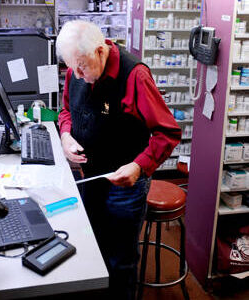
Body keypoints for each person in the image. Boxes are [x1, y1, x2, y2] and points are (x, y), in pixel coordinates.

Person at [56, 20, 181, 300]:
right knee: (93, 246)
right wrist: (65, 135)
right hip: (90, 177)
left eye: (82, 66)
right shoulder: (76, 68)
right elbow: (65, 110)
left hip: (125, 185)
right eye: (71, 67)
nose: (76, 74)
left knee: (120, 261)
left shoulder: (135, 75)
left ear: (100, 51)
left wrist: (139, 166)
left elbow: (168, 132)